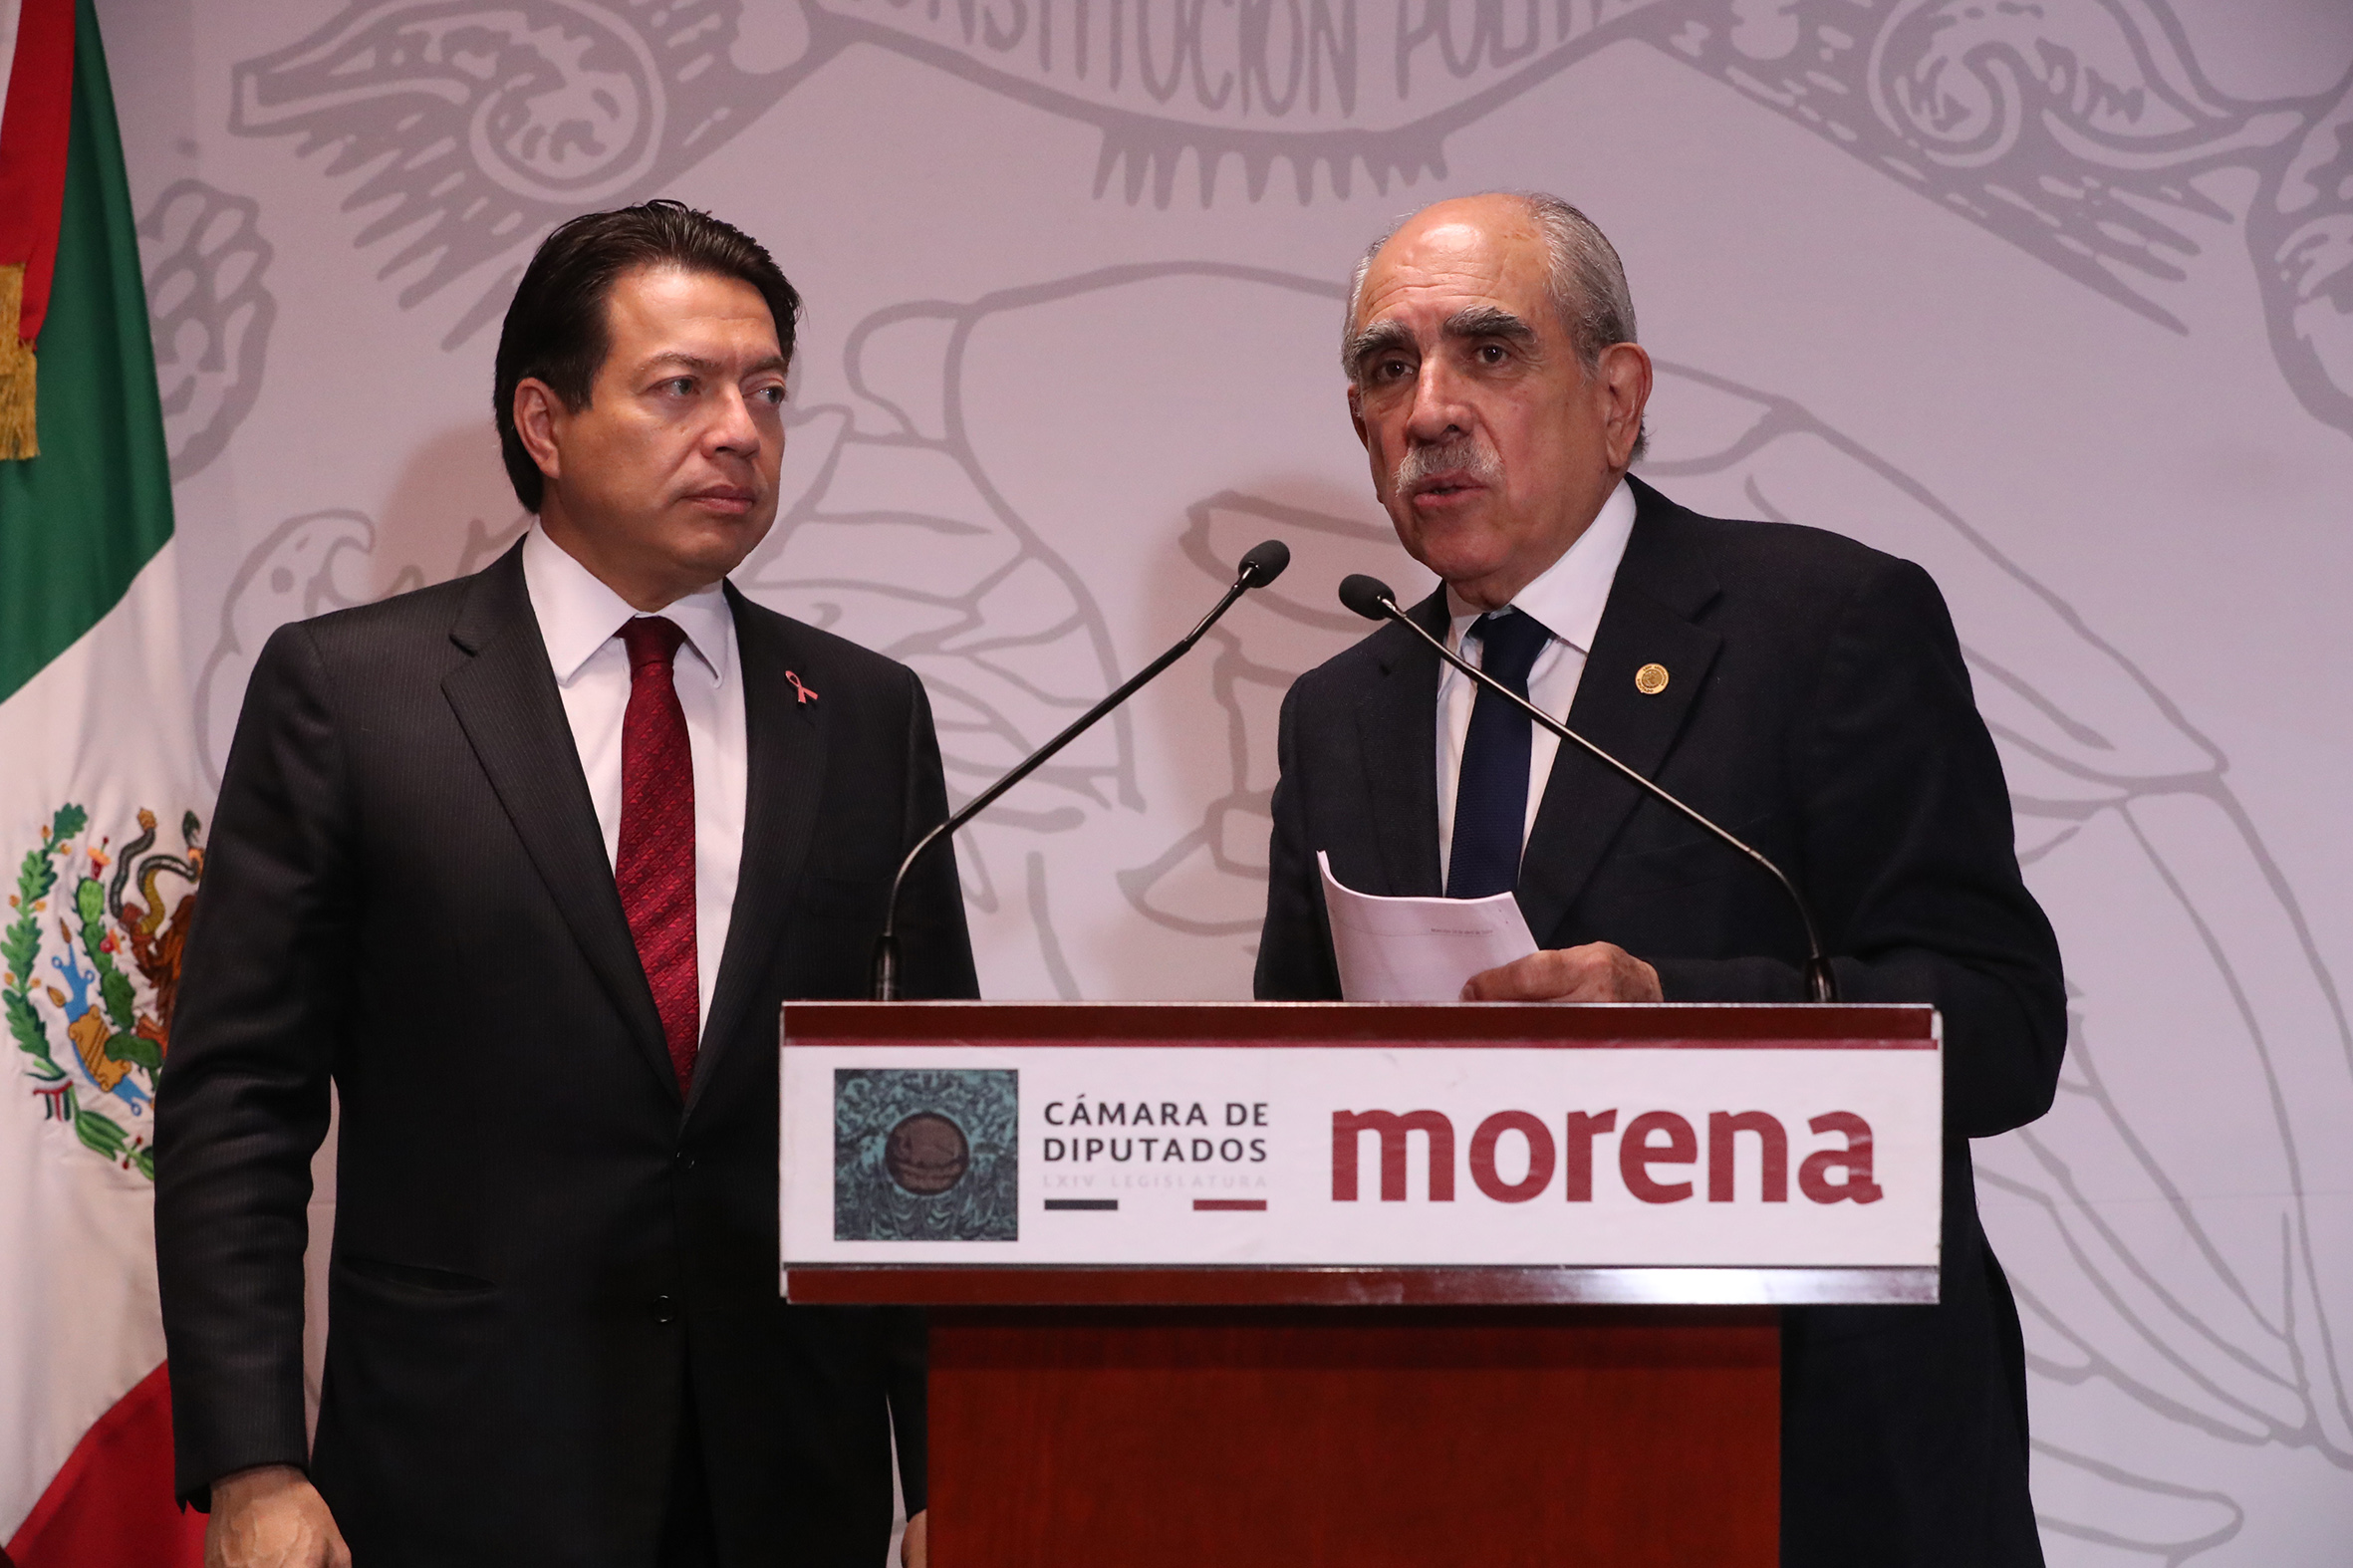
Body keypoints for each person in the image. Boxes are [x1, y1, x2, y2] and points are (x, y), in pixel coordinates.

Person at [154, 201, 974, 1568]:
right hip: (458, 1471)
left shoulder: (864, 713)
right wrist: (253, 1462)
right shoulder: (353, 695)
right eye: (682, 388)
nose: (741, 431)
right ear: (544, 422)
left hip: (785, 1482)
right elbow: (240, 1099)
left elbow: (922, 1119)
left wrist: (958, 1461)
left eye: (768, 391)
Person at [1254, 191, 2066, 1565]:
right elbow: (1290, 1065)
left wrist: (1673, 1012)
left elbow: (2000, 1025)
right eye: (1389, 369)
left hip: (1806, 1452)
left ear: (1617, 396)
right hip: (1447, 1457)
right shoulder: (1340, 709)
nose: (1431, 409)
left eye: (1490, 351)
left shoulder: (1821, 626)